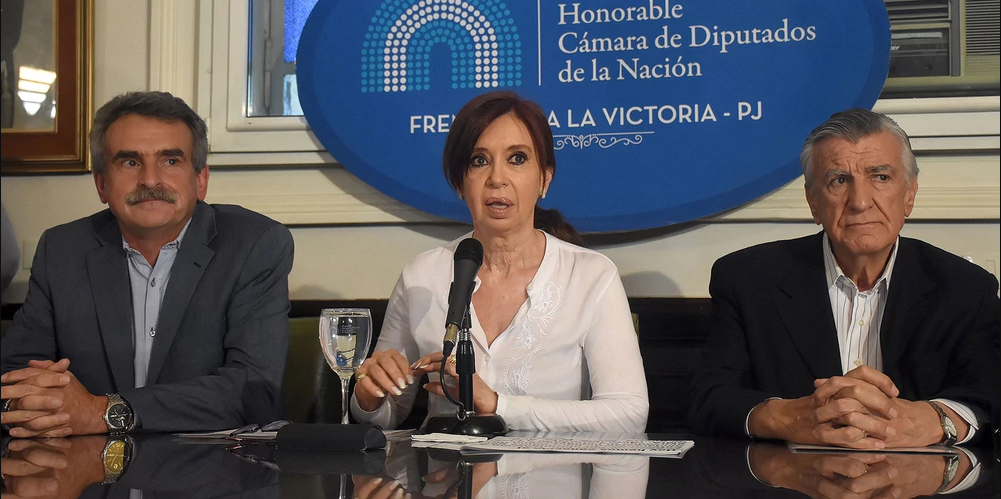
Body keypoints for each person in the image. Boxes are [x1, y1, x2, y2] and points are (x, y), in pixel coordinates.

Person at [688, 108, 1000, 448]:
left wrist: (938, 420)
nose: (860, 202)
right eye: (838, 180)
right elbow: (708, 399)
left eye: (880, 177)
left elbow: (989, 397)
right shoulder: (747, 280)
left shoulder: (965, 288)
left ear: (909, 194)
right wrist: (787, 417)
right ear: (813, 202)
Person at [349, 91, 648, 432]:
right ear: (460, 182)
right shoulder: (422, 275)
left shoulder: (591, 276)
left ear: (545, 178)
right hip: (443, 467)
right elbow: (389, 414)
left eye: (517, 159)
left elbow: (629, 413)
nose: (497, 178)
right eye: (479, 160)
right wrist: (369, 395)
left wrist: (497, 405)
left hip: (553, 468)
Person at [0, 91, 293, 436]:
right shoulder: (62, 250)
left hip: (210, 465)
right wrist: (26, 403)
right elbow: (14, 375)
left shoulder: (254, 245)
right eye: (130, 162)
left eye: (170, 161)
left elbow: (252, 389)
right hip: (84, 465)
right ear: (101, 184)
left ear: (200, 180)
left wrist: (103, 411)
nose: (150, 180)